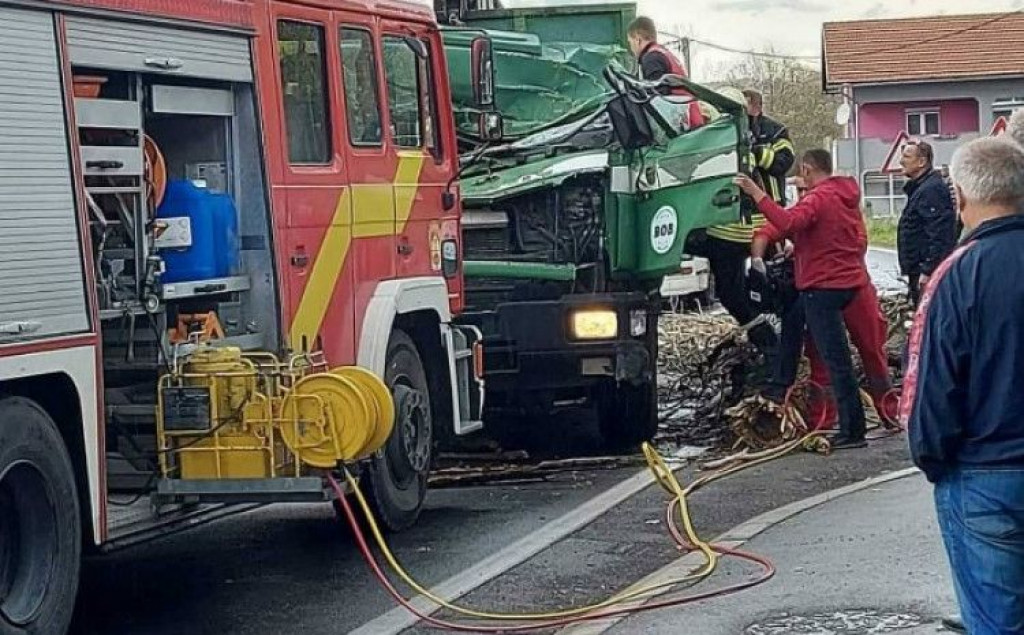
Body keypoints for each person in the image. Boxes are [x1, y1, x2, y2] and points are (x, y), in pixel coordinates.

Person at [903, 137, 1024, 635]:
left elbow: (932, 385)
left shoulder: (958, 274)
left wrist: (933, 458)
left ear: (959, 196)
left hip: (984, 474)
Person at [736, 149, 870, 450]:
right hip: (845, 282)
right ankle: (780, 383)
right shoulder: (843, 195)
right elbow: (836, 236)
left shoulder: (819, 198)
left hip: (822, 286)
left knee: (837, 361)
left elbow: (786, 222)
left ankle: (853, 430)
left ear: (808, 169)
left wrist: (755, 192)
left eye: (802, 175)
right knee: (794, 321)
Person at [753, 175, 895, 431]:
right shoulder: (825, 204)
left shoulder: (829, 204)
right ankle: (825, 421)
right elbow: (769, 230)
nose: (802, 194)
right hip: (842, 287)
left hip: (844, 288)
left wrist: (806, 251)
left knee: (867, 352)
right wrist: (759, 255)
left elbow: (855, 244)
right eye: (799, 191)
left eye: (805, 188)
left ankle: (887, 412)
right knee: (823, 357)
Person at [696, 89, 794, 362]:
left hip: (764, 222)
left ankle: (789, 343)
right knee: (730, 292)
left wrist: (755, 152)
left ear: (753, 108)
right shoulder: (714, 133)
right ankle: (766, 342)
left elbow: (783, 162)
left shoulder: (774, 131)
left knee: (779, 286)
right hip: (726, 226)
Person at [897, 140, 958, 306]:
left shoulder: (931, 190)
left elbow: (940, 233)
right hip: (918, 270)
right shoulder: (920, 189)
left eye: (907, 156)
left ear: (922, 162)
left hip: (926, 272)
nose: (901, 161)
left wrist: (928, 270)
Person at [625, 16, 704, 128]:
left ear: (638, 40)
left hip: (684, 124)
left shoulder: (651, 58)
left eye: (630, 42)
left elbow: (658, 99)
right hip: (692, 117)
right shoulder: (662, 52)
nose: (631, 48)